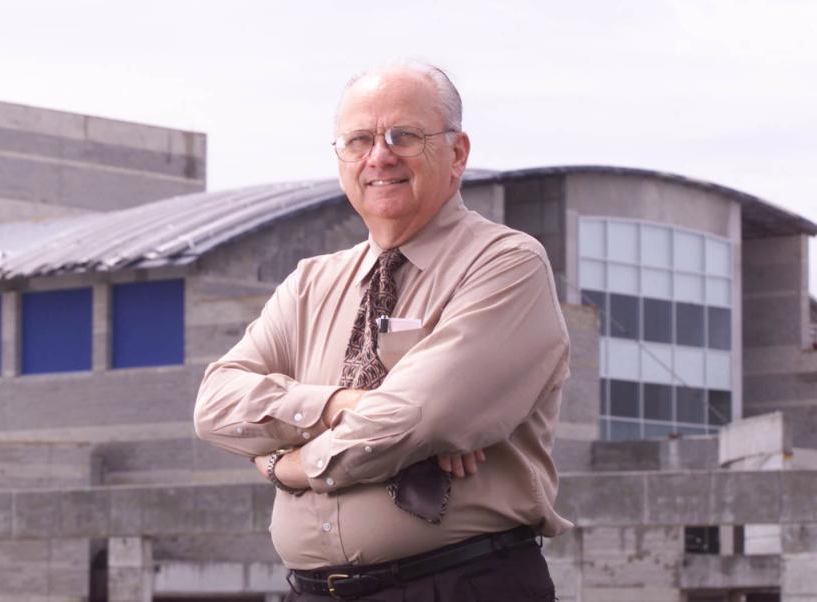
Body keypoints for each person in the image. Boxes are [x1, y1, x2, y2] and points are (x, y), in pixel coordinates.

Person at [194, 59, 571, 601]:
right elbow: (214, 404)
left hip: (461, 584)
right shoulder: (311, 283)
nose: (379, 156)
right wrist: (336, 405)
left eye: (404, 136)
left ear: (458, 152)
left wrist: (288, 463)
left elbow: (416, 417)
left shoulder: (505, 264)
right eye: (358, 140)